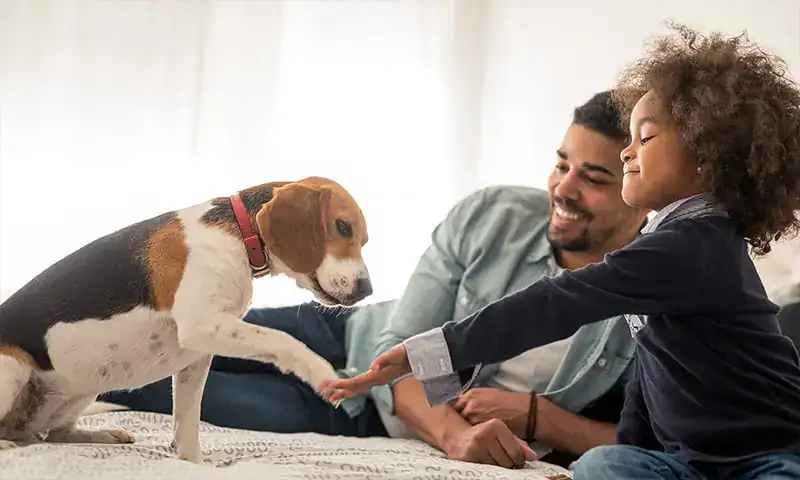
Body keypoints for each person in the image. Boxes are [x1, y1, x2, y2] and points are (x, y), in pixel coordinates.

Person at [323, 24, 800, 479]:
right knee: (601, 467)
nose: (626, 153)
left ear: (706, 154)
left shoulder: (694, 246)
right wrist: (626, 451)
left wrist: (434, 351)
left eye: (645, 138)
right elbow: (651, 381)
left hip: (766, 454)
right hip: (694, 464)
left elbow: (556, 302)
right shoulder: (667, 244)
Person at [100, 89, 650, 467]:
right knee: (151, 329)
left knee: (138, 381)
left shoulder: (659, 296)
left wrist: (544, 419)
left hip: (357, 414)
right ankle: (18, 333)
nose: (563, 189)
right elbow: (401, 346)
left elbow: (660, 440)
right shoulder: (493, 216)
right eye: (561, 164)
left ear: (637, 188)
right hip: (346, 335)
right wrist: (457, 438)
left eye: (593, 178)